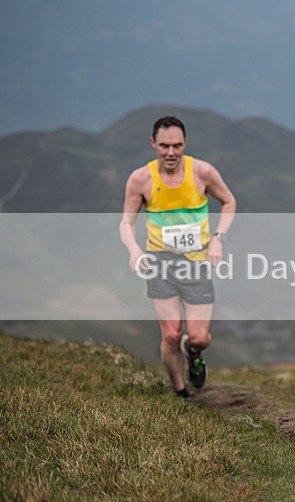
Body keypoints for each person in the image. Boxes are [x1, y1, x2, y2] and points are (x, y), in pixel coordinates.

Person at [120, 115, 236, 400]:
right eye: (164, 146)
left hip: (196, 263)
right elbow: (126, 222)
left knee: (199, 337)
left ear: (185, 143)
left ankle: (193, 352)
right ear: (153, 143)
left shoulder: (202, 172)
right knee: (170, 334)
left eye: (176, 145)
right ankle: (180, 392)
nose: (170, 152)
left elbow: (229, 201)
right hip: (160, 262)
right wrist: (134, 250)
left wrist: (218, 239)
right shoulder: (140, 179)